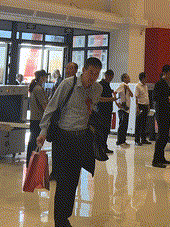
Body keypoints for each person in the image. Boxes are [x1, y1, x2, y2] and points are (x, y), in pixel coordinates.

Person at [37, 57, 103, 227]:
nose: (93, 77)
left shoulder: (97, 89)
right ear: (84, 70)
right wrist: (43, 131)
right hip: (63, 139)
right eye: (90, 72)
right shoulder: (68, 84)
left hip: (81, 139)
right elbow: (51, 107)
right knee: (63, 181)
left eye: (96, 74)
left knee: (73, 180)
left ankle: (65, 216)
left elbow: (92, 109)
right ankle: (60, 220)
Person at [26, 70, 49, 166]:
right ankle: (32, 162)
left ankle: (30, 161)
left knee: (33, 140)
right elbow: (44, 105)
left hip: (34, 118)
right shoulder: (38, 89)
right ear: (41, 77)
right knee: (36, 141)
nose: (46, 79)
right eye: (45, 77)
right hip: (38, 118)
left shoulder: (34, 87)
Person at [153, 64, 170, 167]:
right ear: (164, 73)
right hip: (161, 113)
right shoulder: (159, 84)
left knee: (165, 136)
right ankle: (156, 160)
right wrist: (167, 99)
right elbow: (155, 97)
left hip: (167, 113)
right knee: (161, 136)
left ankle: (161, 157)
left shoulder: (169, 84)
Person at [97, 69, 116, 155]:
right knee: (101, 130)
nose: (111, 79)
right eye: (110, 77)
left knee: (106, 130)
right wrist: (111, 99)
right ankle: (100, 148)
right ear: (106, 76)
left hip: (108, 111)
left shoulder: (107, 85)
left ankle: (104, 147)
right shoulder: (101, 85)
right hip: (102, 112)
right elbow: (99, 99)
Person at [115, 73, 133, 146]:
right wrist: (116, 103)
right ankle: (119, 141)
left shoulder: (127, 86)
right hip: (122, 108)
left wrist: (128, 88)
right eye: (127, 77)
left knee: (125, 125)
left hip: (127, 108)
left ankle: (123, 140)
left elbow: (131, 95)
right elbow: (114, 93)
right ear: (124, 79)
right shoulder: (121, 85)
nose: (129, 78)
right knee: (122, 125)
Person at [134, 72, 150, 146]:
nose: (147, 79)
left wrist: (148, 105)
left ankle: (143, 139)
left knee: (144, 123)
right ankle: (137, 140)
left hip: (145, 105)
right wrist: (137, 108)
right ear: (142, 78)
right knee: (138, 123)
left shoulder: (145, 86)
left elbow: (147, 96)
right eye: (146, 77)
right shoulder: (138, 86)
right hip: (140, 106)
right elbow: (136, 97)